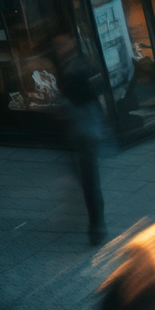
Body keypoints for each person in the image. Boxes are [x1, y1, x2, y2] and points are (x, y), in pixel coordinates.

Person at [52, 36, 105, 245]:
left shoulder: (75, 70)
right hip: (81, 131)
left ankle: (97, 226)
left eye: (61, 45)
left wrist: (63, 103)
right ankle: (96, 222)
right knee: (88, 178)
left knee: (90, 180)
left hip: (85, 131)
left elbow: (83, 97)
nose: (58, 50)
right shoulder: (71, 67)